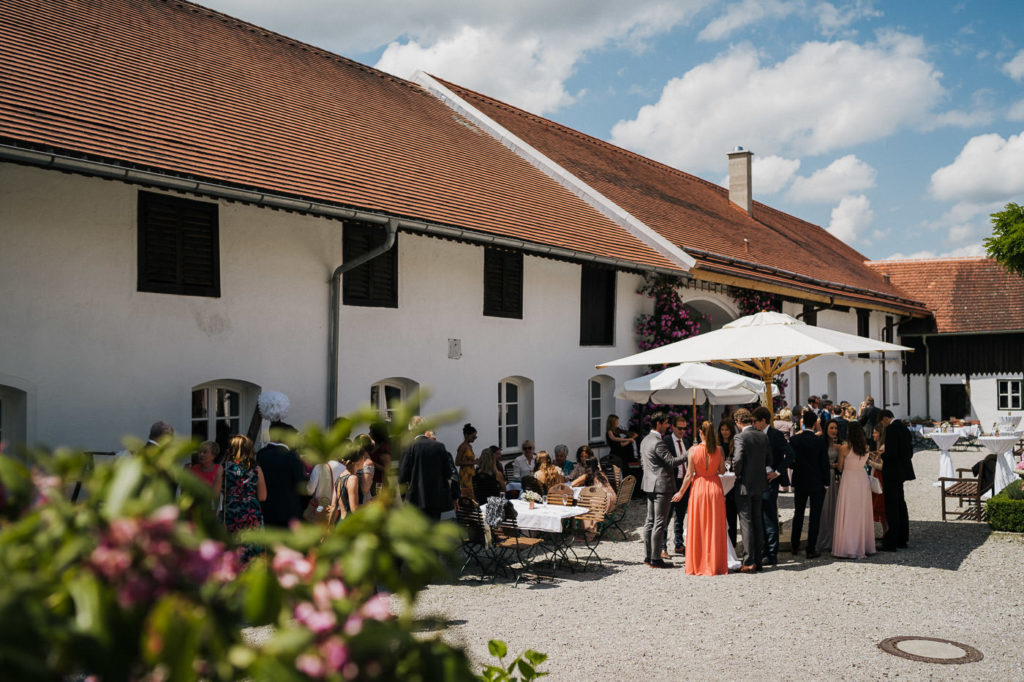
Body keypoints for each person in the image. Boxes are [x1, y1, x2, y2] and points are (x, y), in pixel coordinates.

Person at [673, 421, 727, 576]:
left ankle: (699, 563)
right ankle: (714, 564)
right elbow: (722, 471)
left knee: (699, 526)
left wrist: (680, 492)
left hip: (699, 488)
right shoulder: (719, 449)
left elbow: (689, 475)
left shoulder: (692, 450)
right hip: (715, 488)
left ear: (700, 433)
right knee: (715, 527)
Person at [639, 412, 687, 568]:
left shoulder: (645, 440)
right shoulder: (658, 442)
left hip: (649, 484)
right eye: (666, 423)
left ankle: (648, 556)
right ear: (658, 423)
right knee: (659, 522)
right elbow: (672, 461)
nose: (667, 426)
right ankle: (656, 558)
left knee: (649, 521)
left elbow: (643, 463)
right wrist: (689, 453)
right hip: (662, 485)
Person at [214, 434, 265, 562]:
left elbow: (214, 495)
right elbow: (263, 496)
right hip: (251, 514)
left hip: (231, 512)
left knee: (231, 550)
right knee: (252, 550)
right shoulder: (256, 469)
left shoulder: (223, 468)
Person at [753, 406, 793, 567]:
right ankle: (762, 550)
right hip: (757, 479)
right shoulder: (755, 434)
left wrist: (777, 472)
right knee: (759, 516)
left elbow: (790, 454)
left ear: (763, 420)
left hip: (771, 479)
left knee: (769, 517)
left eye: (755, 421)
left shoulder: (775, 435)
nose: (754, 424)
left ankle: (772, 553)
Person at [831, 423, 876, 559]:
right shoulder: (866, 447)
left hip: (849, 479)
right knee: (861, 512)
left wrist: (831, 464)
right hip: (862, 479)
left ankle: (848, 546)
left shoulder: (844, 448)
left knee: (849, 511)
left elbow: (840, 467)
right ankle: (863, 545)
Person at [732, 408, 768, 573]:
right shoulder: (763, 435)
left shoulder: (740, 436)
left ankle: (748, 561)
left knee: (746, 523)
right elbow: (770, 459)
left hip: (744, 485)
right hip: (760, 484)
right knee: (758, 522)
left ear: (738, 422)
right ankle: (759, 561)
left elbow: (738, 458)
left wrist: (737, 472)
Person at [789, 410, 829, 558]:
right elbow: (824, 463)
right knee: (814, 516)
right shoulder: (819, 441)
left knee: (798, 513)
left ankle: (795, 545)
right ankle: (811, 548)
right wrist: (826, 482)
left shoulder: (795, 440)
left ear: (803, 422)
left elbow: (791, 461)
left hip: (800, 480)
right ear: (815, 423)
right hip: (817, 481)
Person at [398, 423, 456, 519]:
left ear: (411, 431)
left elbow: (402, 477)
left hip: (415, 500)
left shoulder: (409, 447)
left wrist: (404, 498)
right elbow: (448, 473)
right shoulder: (439, 446)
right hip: (436, 500)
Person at [256, 421, 305, 528]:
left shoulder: (261, 454)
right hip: (289, 511)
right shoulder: (291, 456)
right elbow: (300, 485)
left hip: (266, 510)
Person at [879, 409, 914, 551]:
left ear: (886, 418)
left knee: (892, 506)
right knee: (901, 504)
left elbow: (892, 453)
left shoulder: (892, 429)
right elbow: (909, 451)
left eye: (882, 422)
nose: (883, 425)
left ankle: (891, 541)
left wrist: (882, 455)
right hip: (901, 472)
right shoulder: (904, 427)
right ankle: (902, 538)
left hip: (892, 473)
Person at [664, 415, 693, 557]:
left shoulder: (687, 442)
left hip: (684, 482)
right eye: (680, 428)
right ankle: (662, 546)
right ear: (673, 427)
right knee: (666, 516)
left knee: (680, 516)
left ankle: (678, 543)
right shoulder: (666, 441)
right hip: (671, 482)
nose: (682, 431)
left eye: (685, 428)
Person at [815, 419, 842, 553]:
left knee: (837, 508)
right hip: (825, 477)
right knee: (825, 508)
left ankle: (836, 539)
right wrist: (831, 465)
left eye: (836, 428)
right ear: (826, 429)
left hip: (837, 479)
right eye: (831, 428)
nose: (834, 431)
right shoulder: (821, 442)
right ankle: (824, 538)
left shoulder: (840, 444)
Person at [719, 419, 738, 546]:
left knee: (732, 516)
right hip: (720, 481)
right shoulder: (717, 445)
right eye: (722, 429)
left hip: (733, 483)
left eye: (727, 429)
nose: (724, 432)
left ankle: (732, 543)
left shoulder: (735, 444)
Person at [869, 425, 887, 535]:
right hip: (877, 476)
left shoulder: (883, 447)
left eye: (875, 432)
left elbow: (882, 466)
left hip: (880, 477)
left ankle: (887, 531)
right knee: (879, 505)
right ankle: (885, 531)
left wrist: (869, 462)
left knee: (881, 505)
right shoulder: (879, 446)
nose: (873, 435)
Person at [455, 423, 477, 498]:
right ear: (466, 435)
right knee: (468, 496)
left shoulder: (469, 446)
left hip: (470, 474)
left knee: (472, 495)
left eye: (475, 437)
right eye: (473, 436)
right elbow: (457, 462)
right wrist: (472, 462)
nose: (474, 438)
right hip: (465, 475)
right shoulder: (463, 447)